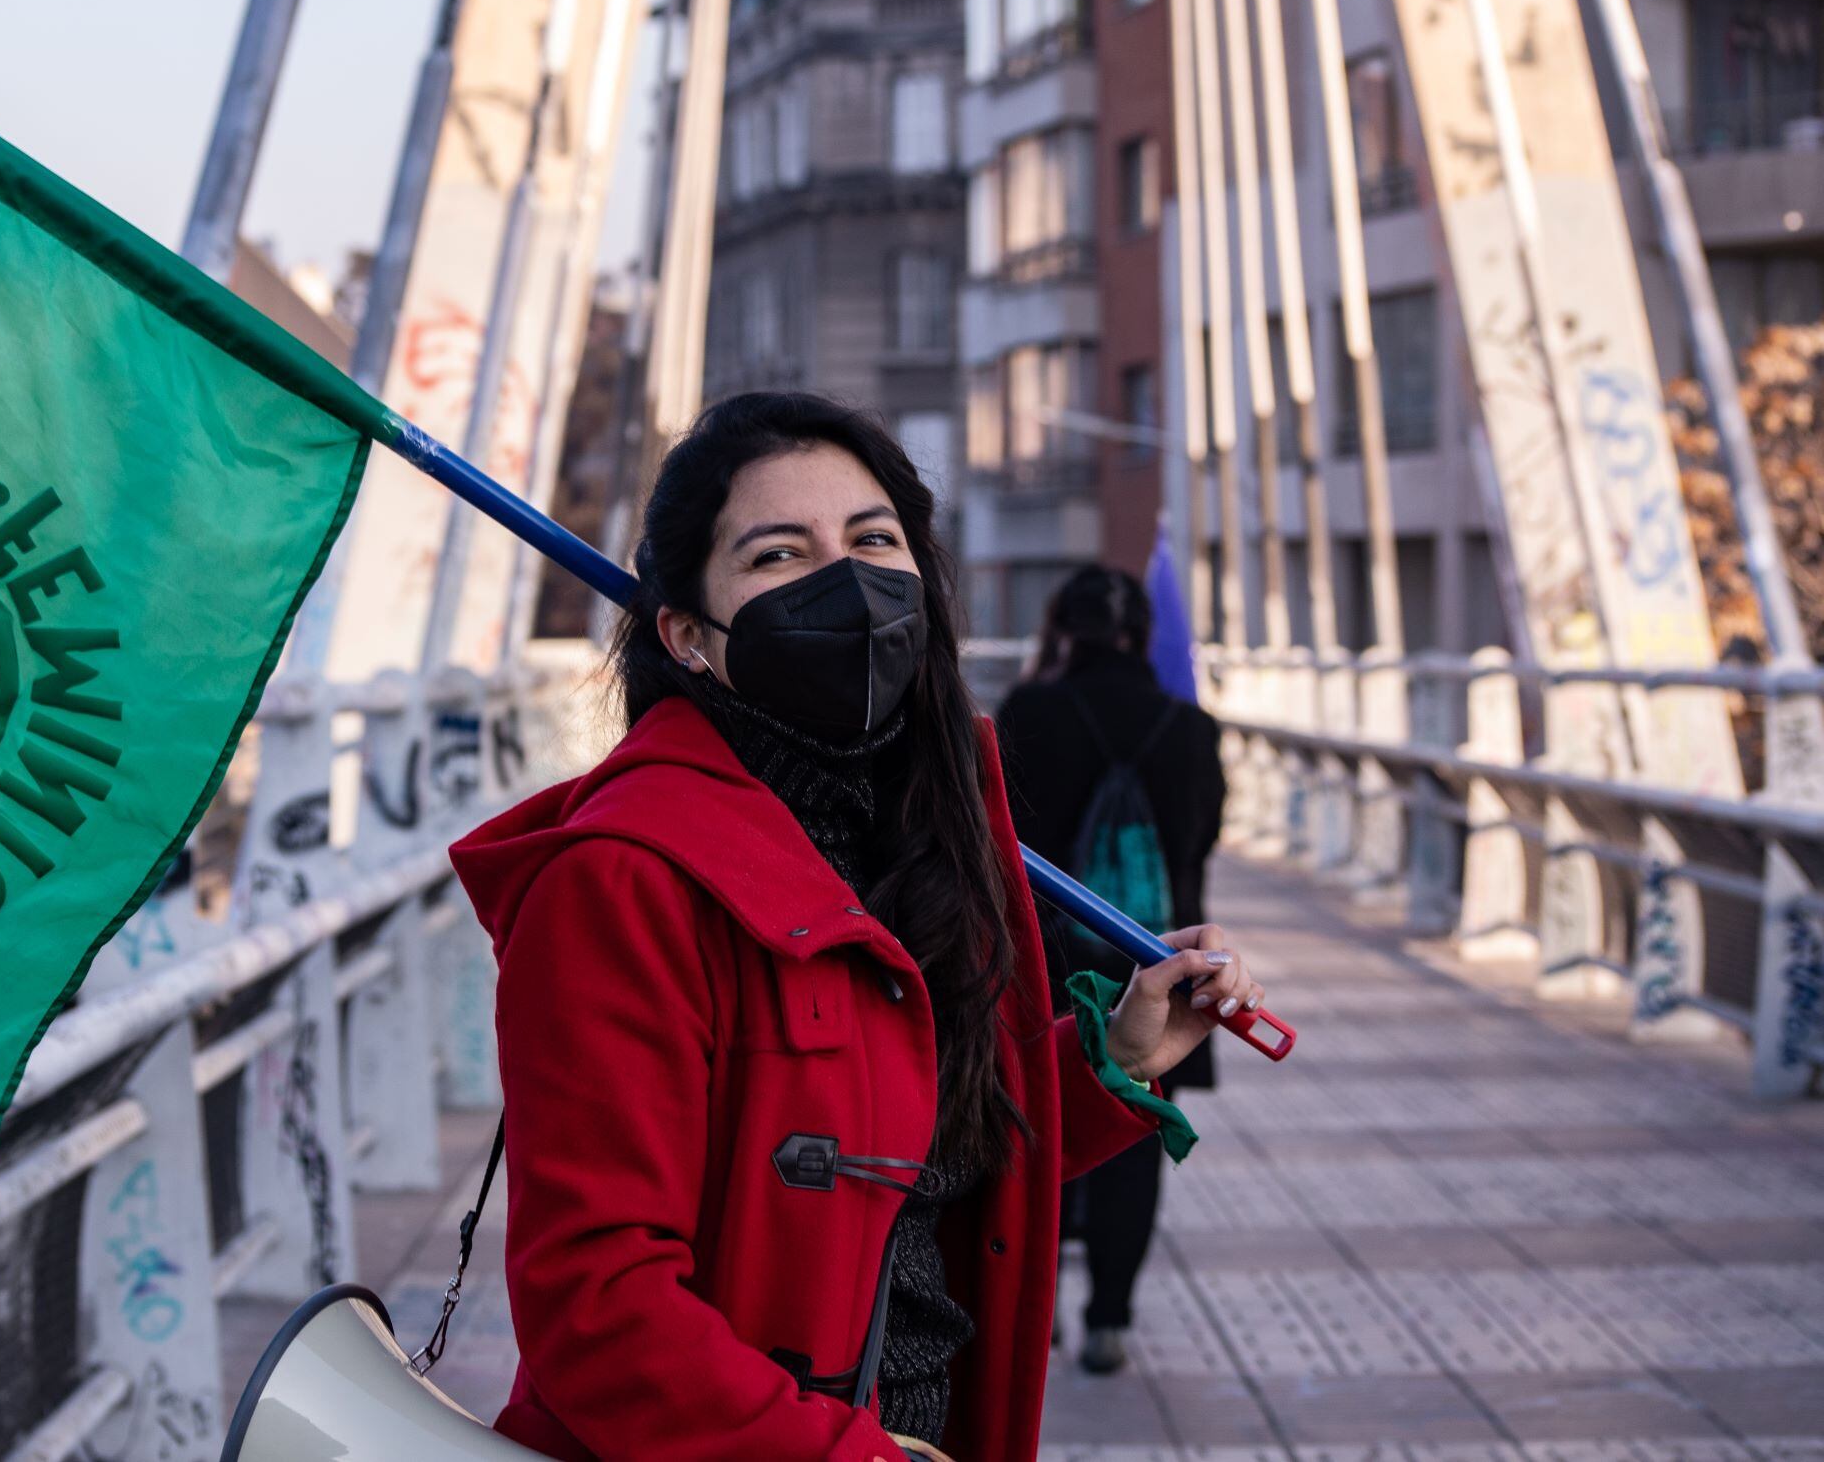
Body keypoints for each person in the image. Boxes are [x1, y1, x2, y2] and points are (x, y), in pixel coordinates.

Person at [451, 394, 1262, 1462]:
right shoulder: (620, 879)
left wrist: (1110, 1058)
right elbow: (595, 1303)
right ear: (688, 635)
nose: (846, 581)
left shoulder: (926, 831)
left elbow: (921, 1155)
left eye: (874, 540)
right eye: (778, 555)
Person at [994, 564, 1228, 1378]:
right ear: (1141, 635)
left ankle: (1040, 1304)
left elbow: (999, 835)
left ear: (1062, 628)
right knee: (1133, 1128)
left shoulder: (1031, 711)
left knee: (1042, 1119)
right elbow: (1198, 842)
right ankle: (1110, 1319)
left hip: (1048, 966)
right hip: (1164, 969)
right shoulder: (1190, 726)